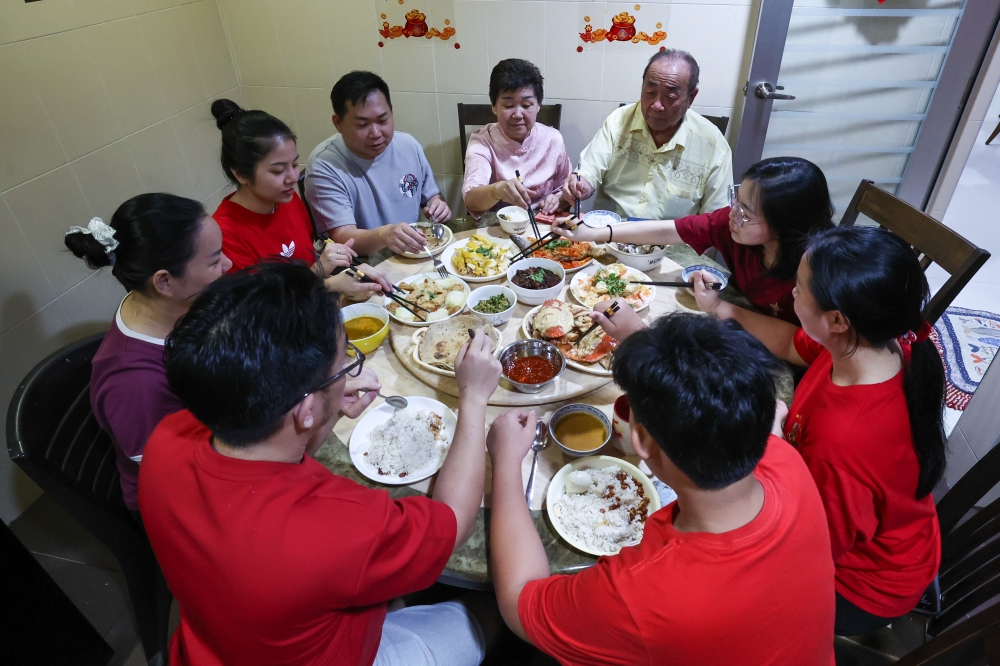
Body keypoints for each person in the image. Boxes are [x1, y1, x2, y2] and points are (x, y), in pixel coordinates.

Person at [139, 261, 502, 665]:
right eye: (343, 361)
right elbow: (453, 522)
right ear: (304, 408)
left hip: (216, 643)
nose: (347, 369)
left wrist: (321, 408)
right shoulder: (337, 528)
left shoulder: (168, 436)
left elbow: (268, 457)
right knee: (489, 612)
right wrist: (473, 396)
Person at [488, 313, 836, 664]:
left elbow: (518, 603)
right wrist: (648, 346)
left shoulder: (637, 594)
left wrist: (505, 462)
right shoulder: (788, 464)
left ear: (639, 439)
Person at [694, 225, 944, 634]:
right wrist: (724, 309)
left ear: (837, 319)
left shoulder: (844, 439)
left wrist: (774, 438)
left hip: (859, 583)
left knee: (704, 590)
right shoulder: (872, 348)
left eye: (800, 287)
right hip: (877, 528)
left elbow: (805, 543)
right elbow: (794, 344)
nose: (791, 291)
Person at [64, 194, 232, 518]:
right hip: (184, 504)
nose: (227, 266)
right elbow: (180, 482)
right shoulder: (134, 384)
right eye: (214, 261)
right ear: (165, 281)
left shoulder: (172, 305)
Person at [554, 157, 834, 324]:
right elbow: (669, 230)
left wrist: (718, 307)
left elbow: (801, 345)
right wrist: (594, 234)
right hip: (743, 325)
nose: (733, 214)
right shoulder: (732, 224)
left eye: (746, 212)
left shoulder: (817, 270)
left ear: (785, 224)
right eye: (736, 200)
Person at [210, 99, 391, 297]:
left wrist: (339, 267)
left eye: (294, 165)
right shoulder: (224, 235)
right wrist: (326, 280)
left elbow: (306, 265)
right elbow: (261, 309)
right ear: (240, 174)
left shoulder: (284, 199)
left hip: (312, 304)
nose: (293, 177)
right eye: (278, 171)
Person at [563, 49, 732, 220]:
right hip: (609, 237)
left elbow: (715, 221)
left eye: (670, 96)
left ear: (691, 97)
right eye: (650, 93)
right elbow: (589, 169)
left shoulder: (713, 145)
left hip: (671, 243)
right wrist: (581, 183)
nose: (657, 105)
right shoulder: (618, 121)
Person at [306, 71, 452, 256]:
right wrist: (384, 235)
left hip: (412, 254)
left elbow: (431, 196)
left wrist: (437, 205)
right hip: (361, 266)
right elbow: (343, 237)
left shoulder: (408, 145)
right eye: (362, 125)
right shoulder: (324, 165)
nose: (375, 133)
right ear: (338, 123)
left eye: (383, 120)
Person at [462, 59, 571, 219]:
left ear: (538, 106)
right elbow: (471, 200)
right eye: (508, 106)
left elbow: (565, 190)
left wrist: (557, 200)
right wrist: (497, 190)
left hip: (542, 225)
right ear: (494, 106)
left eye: (526, 105)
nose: (518, 114)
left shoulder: (553, 139)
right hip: (497, 229)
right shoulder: (482, 141)